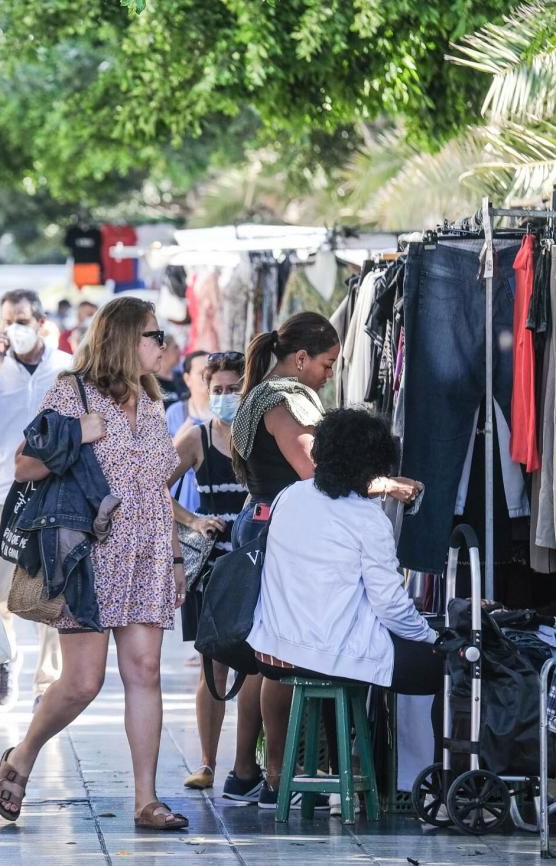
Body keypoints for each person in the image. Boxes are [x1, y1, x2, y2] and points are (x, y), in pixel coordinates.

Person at [0, 297, 189, 832]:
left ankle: (146, 799)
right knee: (82, 682)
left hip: (145, 551)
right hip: (91, 554)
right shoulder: (71, 393)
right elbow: (25, 465)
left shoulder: (153, 403)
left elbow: (155, 489)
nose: (162, 346)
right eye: (154, 336)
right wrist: (80, 432)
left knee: (145, 671)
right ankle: (24, 753)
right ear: (126, 339)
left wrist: (173, 556)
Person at [230, 311, 422, 809]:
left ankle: (256, 771)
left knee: (268, 652)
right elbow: (314, 470)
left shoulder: (265, 394)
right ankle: (273, 772)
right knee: (277, 653)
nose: (331, 374)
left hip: (270, 518)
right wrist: (384, 485)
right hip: (279, 523)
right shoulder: (282, 401)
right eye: (329, 363)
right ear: (300, 358)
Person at [249, 410, 439, 807]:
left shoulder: (289, 495)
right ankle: (408, 781)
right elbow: (390, 604)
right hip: (326, 652)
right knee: (434, 667)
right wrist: (431, 636)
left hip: (274, 647)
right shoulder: (367, 517)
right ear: (373, 464)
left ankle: (347, 771)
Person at [0, 289, 74, 709]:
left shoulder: (66, 367)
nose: (15, 329)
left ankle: (46, 682)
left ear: (41, 323)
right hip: (3, 491)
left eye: (23, 320)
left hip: (54, 493)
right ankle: (7, 658)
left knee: (53, 586)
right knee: (0, 588)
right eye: (8, 320)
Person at [165, 352, 255, 793]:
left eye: (233, 389)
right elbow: (151, 486)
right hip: (213, 568)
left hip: (256, 563)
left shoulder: (262, 434)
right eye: (217, 390)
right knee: (213, 671)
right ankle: (206, 762)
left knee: (259, 667)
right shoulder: (195, 437)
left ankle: (247, 766)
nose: (225, 397)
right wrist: (192, 520)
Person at [166, 350, 210, 525]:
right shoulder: (176, 413)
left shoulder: (225, 415)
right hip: (182, 504)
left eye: (212, 371)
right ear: (187, 378)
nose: (207, 377)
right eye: (202, 373)